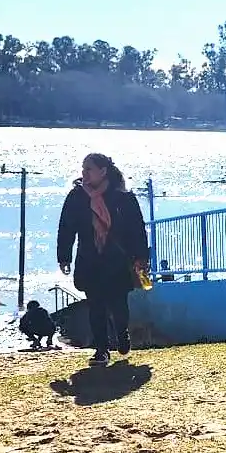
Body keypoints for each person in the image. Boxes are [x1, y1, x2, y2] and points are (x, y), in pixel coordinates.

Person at [57, 153, 150, 367]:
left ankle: (121, 332)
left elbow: (137, 229)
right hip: (89, 258)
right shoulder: (77, 196)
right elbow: (66, 227)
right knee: (95, 306)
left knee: (118, 304)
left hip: (116, 260)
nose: (84, 173)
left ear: (103, 171)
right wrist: (64, 256)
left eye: (89, 169)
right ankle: (101, 349)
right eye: (83, 169)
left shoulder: (122, 197)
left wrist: (140, 257)